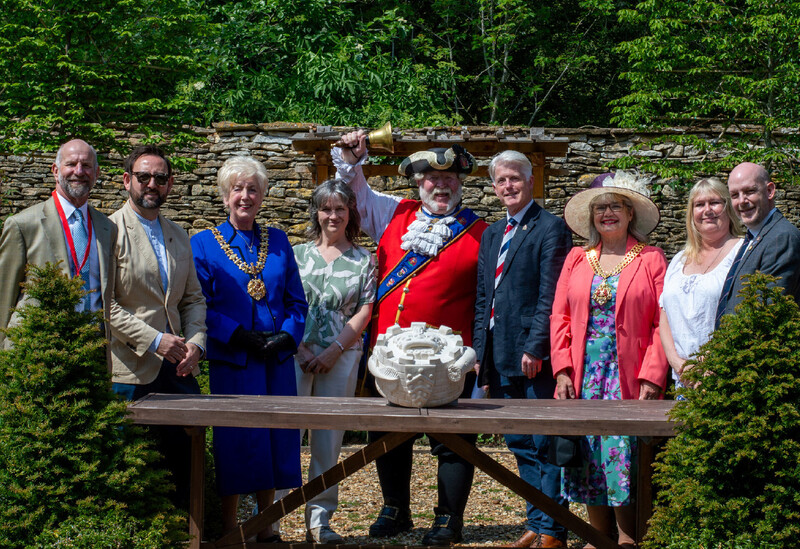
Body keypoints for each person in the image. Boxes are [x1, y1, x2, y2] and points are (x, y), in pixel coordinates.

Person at [334, 131, 488, 545]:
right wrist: (352, 159)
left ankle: (449, 518)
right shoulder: (393, 213)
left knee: (453, 440)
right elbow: (355, 193)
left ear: (461, 183)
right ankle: (395, 509)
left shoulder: (482, 232)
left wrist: (480, 354)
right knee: (387, 435)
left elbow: (489, 301)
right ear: (419, 183)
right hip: (389, 351)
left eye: (451, 179)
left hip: (449, 357)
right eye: (432, 179)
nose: (442, 186)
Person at [191, 156, 307, 541]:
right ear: (225, 195)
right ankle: (229, 528)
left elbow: (296, 302)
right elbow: (199, 305)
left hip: (275, 361)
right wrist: (238, 335)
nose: (245, 196)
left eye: (252, 189)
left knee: (274, 439)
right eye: (237, 189)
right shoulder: (203, 244)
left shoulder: (279, 241)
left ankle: (266, 526)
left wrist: (286, 336)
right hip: (234, 360)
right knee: (236, 442)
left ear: (262, 195)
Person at [550, 172, 669, 549]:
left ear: (631, 213)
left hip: (628, 375)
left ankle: (628, 535)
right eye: (600, 207)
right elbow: (560, 317)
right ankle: (597, 535)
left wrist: (653, 375)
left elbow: (663, 321)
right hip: (584, 374)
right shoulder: (577, 258)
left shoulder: (651, 258)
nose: (607, 213)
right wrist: (562, 370)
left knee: (622, 452)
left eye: (616, 206)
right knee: (587, 453)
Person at [473, 151, 572, 549]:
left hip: (533, 357)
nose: (508, 186)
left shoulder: (551, 228)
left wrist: (536, 347)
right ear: (494, 187)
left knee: (544, 443)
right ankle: (536, 519)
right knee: (518, 443)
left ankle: (554, 529)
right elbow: (484, 298)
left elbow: (551, 295)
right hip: (498, 353)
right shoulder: (492, 233)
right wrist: (479, 352)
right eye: (501, 180)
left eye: (515, 178)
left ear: (531, 181)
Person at [108, 145, 207, 508]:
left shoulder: (179, 234)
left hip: (177, 367)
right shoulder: (108, 232)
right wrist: (154, 340)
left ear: (170, 184)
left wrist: (196, 342)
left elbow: (192, 299)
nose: (152, 184)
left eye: (160, 178)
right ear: (126, 180)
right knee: (126, 470)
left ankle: (189, 531)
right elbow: (105, 305)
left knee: (185, 467)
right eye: (144, 176)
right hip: (129, 369)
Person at [293, 179, 376, 544]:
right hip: (295, 354)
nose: (333, 215)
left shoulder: (364, 260)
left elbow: (365, 311)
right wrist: (301, 349)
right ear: (316, 212)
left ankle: (320, 520)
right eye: (326, 208)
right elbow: (283, 304)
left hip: (342, 355)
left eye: (340, 208)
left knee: (328, 440)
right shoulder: (296, 255)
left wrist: (333, 351)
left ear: (350, 213)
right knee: (286, 434)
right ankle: (271, 518)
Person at [0, 139, 116, 349]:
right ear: (55, 170)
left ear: (96, 173)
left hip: (93, 349)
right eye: (71, 164)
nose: (79, 171)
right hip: (37, 351)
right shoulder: (23, 225)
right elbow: (4, 294)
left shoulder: (107, 228)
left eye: (86, 165)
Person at [660, 178, 742, 392]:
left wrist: (712, 361)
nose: (707, 210)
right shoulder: (679, 260)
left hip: (725, 376)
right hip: (683, 379)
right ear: (691, 213)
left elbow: (744, 313)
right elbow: (664, 315)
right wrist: (678, 364)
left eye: (714, 202)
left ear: (728, 208)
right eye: (699, 204)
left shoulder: (742, 252)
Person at [716, 162, 800, 324]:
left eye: (750, 191)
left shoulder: (781, 238)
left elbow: (766, 314)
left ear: (770, 191)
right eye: (735, 195)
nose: (742, 201)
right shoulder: (753, 239)